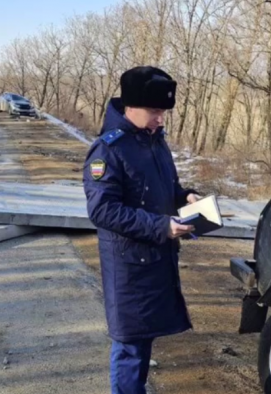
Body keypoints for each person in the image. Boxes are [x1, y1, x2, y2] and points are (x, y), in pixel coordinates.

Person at [82, 66, 200, 394]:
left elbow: (162, 189)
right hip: (130, 266)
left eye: (163, 112)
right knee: (130, 344)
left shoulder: (154, 141)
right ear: (131, 106)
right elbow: (103, 209)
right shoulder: (108, 150)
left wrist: (184, 197)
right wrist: (160, 226)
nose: (161, 119)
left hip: (157, 259)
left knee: (144, 338)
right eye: (155, 112)